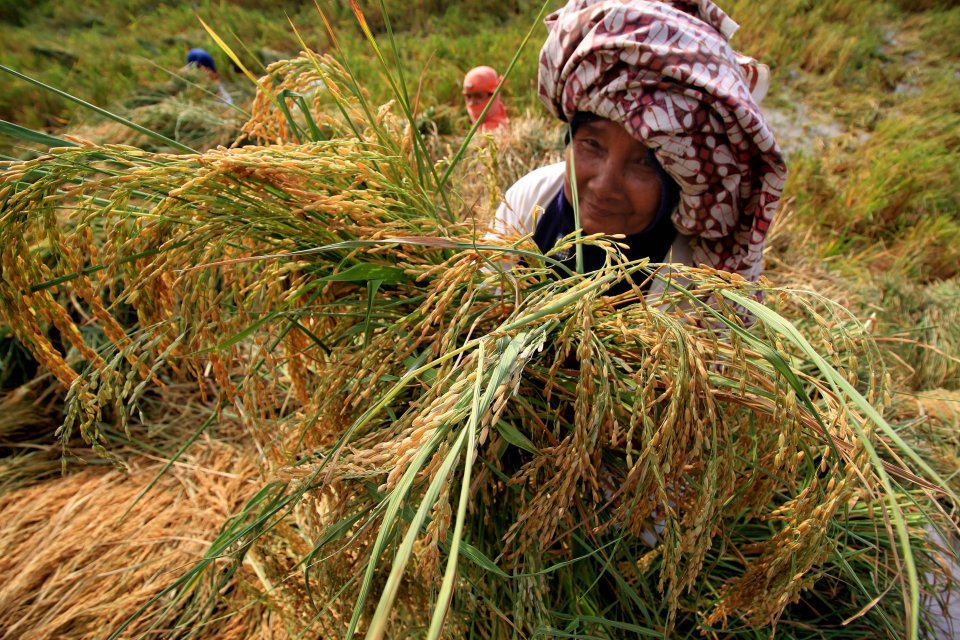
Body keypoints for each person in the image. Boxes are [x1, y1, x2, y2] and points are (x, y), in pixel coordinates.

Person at [488, 0, 787, 292]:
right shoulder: (532, 201)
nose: (604, 186)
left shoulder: (691, 281)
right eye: (592, 144)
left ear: (678, 177)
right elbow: (487, 299)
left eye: (644, 163)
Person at [462, 66, 509, 132]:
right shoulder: (479, 128)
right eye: (468, 96)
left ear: (493, 96)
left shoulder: (496, 132)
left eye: (478, 96)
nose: (472, 102)